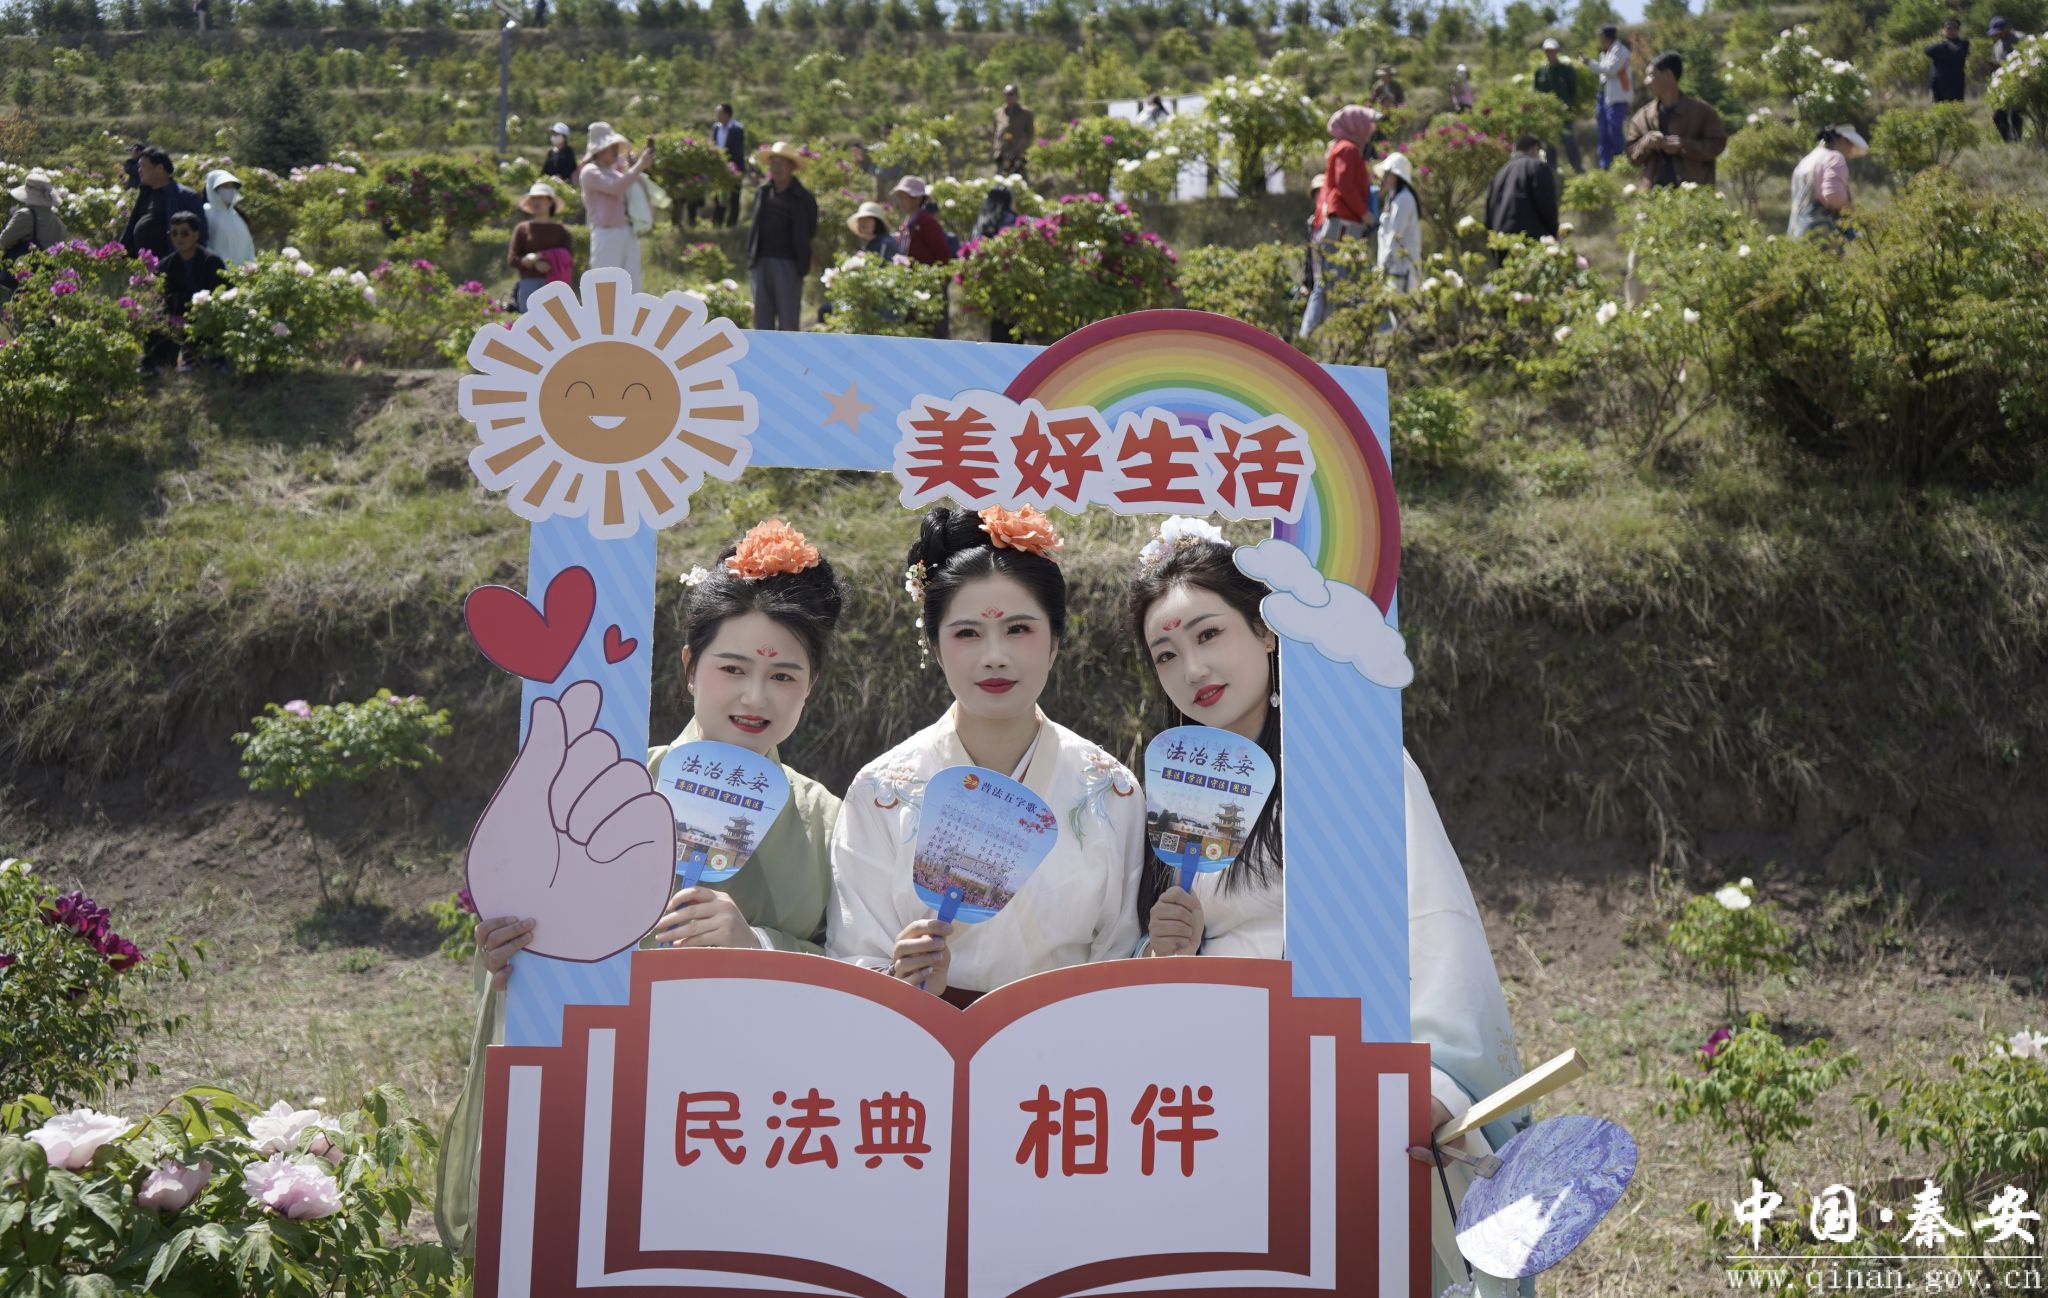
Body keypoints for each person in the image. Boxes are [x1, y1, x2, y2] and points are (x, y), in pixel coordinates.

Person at [1124, 519, 1531, 1296]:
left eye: (1209, 634)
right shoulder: (1169, 797)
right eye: (1165, 654)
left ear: (1266, 631)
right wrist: (1165, 953)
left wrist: (1429, 1076)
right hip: (1221, 1095)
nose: (1192, 668)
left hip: (1352, 1073)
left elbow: (1429, 919)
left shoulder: (1354, 755)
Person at [436, 520, 849, 1258]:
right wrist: (509, 959)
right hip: (611, 1096)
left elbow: (859, 979)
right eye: (731, 668)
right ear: (689, 667)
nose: (755, 695)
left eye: (784, 676)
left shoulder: (828, 820)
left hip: (758, 1117)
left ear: (810, 686)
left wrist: (756, 944)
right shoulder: (609, 778)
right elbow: (537, 951)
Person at [827, 505, 1144, 1007]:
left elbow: (1121, 951)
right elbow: (854, 956)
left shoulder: (1110, 789)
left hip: (1070, 1036)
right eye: (967, 633)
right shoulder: (880, 791)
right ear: (934, 646)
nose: (994, 656)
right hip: (921, 1032)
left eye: (1018, 629)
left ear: (1055, 641)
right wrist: (900, 975)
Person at [1298, 104, 1377, 340]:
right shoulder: (1347, 149)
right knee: (1335, 282)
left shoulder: (1343, 148)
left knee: (1328, 283)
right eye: (1368, 123)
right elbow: (1345, 187)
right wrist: (1364, 213)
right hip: (1343, 224)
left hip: (1340, 223)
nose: (1372, 129)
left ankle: (1315, 337)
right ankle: (1326, 338)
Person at [1624, 51, 1727, 188]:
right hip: (1654, 195)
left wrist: (1683, 146)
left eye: (1651, 75)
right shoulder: (1642, 117)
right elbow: (1631, 156)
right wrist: (1645, 143)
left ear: (1668, 75)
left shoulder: (1702, 112)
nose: (1646, 82)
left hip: (1692, 193)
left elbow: (1717, 145)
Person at [745, 140, 819, 332]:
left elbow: (811, 229)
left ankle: (788, 353)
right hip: (760, 261)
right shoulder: (763, 192)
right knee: (762, 320)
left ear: (791, 167)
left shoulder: (803, 197)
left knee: (788, 320)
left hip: (789, 263)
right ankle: (763, 352)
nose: (776, 168)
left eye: (781, 163)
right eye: (773, 163)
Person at [577, 122, 654, 292]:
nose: (615, 150)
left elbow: (635, 187)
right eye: (610, 146)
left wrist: (635, 167)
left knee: (632, 287)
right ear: (599, 150)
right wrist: (638, 167)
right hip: (606, 233)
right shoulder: (590, 171)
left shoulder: (614, 172)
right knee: (606, 287)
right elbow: (615, 187)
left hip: (626, 231)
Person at [155, 211, 226, 371]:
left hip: (207, 314)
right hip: (178, 315)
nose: (179, 238)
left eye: (185, 233)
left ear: (196, 235)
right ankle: (161, 364)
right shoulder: (166, 265)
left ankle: (216, 361)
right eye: (174, 233)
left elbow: (221, 293)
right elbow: (164, 296)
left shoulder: (212, 261)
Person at [120, 146, 206, 260]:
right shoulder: (146, 193)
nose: (139, 170)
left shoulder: (186, 196)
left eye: (143, 166)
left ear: (159, 168)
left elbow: (200, 236)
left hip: (170, 266)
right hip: (141, 265)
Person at [1788, 124, 1867, 240]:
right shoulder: (1834, 157)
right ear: (1841, 139)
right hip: (1821, 232)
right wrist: (1850, 211)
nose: (1851, 149)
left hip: (1797, 231)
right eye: (1850, 143)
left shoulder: (1806, 160)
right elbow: (1834, 196)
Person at [506, 182, 573, 312]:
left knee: (555, 322)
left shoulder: (561, 231)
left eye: (541, 198)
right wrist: (532, 264)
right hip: (529, 284)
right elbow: (512, 259)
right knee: (530, 323)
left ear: (550, 202)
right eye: (533, 198)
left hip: (555, 285)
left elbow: (568, 258)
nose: (536, 202)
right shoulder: (522, 229)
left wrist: (548, 262)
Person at [1485, 134, 1560, 242]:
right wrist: (1554, 231)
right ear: (1534, 148)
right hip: (1529, 238)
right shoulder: (1538, 166)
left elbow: (1489, 210)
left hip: (1501, 240)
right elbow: (1546, 202)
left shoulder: (1500, 172)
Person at [1535, 38, 1585, 174]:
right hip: (1547, 113)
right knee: (1550, 143)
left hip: (1564, 112)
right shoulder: (1540, 71)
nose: (1550, 53)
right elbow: (1537, 92)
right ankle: (1552, 171)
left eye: (1552, 51)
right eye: (1547, 51)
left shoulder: (1567, 70)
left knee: (1569, 141)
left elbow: (1572, 90)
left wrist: (1568, 104)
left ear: (1557, 51)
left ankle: (1578, 169)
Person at [1587, 23, 1634, 169]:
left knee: (1614, 130)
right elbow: (1603, 74)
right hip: (1603, 95)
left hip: (1617, 97)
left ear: (1606, 36)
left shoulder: (1620, 51)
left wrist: (1589, 63)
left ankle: (1623, 162)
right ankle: (1605, 165)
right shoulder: (1605, 53)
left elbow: (1611, 70)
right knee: (1603, 132)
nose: (1599, 38)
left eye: (1601, 35)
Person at [1374, 151, 1422, 294]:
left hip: (1402, 270)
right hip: (1394, 269)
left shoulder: (1404, 199)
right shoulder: (1393, 198)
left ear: (1397, 176)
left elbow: (1395, 236)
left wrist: (1384, 266)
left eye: (1388, 174)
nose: (1384, 178)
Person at [890, 175, 950, 265]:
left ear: (918, 199)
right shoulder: (907, 222)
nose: (901, 201)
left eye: (904, 197)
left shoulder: (927, 222)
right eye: (900, 197)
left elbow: (942, 254)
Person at [200, 169, 256, 265]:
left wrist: (250, 266)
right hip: (216, 271)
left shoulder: (237, 216)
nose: (230, 190)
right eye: (225, 186)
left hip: (240, 272)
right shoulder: (205, 212)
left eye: (232, 186)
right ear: (213, 189)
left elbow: (248, 247)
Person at [711, 103, 747, 228]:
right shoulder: (716, 127)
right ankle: (717, 222)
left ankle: (732, 224)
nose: (717, 115)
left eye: (719, 113)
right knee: (718, 195)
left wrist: (730, 165)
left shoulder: (737, 129)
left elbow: (738, 151)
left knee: (734, 196)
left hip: (734, 167)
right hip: (719, 168)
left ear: (727, 114)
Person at [1991, 19, 2025, 142]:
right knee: (1998, 116)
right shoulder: (1997, 46)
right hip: (2004, 86)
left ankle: (2018, 140)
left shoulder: (2020, 38)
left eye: (1999, 31)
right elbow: (1996, 64)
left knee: (2016, 115)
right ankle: (2009, 142)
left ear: (2006, 28)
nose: (1997, 34)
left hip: (2021, 83)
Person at [992, 84, 1035, 178]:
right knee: (1000, 181)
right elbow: (995, 132)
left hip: (1019, 154)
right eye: (1006, 94)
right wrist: (996, 148)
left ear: (1017, 96)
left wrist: (1022, 147)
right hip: (1002, 154)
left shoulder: (1026, 113)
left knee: (1019, 180)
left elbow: (1030, 134)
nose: (1008, 97)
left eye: (1011, 94)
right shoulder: (998, 113)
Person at [1927, 17, 1969, 104]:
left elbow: (1959, 53)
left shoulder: (1963, 44)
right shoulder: (1939, 45)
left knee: (1956, 108)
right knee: (1938, 109)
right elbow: (1928, 50)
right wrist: (1946, 43)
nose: (1952, 30)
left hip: (1955, 85)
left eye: (1955, 28)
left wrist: (1948, 46)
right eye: (1949, 28)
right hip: (1938, 85)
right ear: (1943, 30)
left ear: (1958, 30)